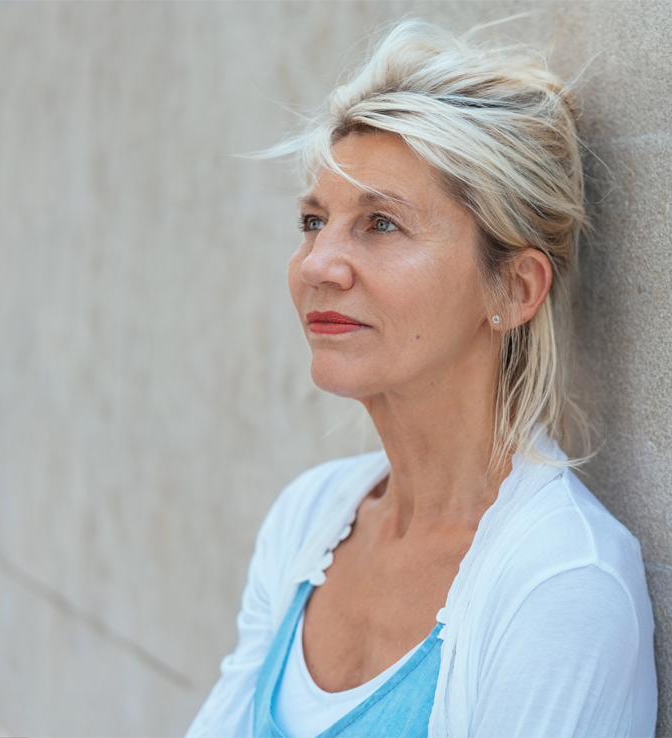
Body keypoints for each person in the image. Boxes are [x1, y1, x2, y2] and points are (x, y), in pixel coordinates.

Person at [186, 19, 657, 738]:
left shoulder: (562, 580)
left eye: (379, 224)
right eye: (314, 221)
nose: (317, 265)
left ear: (512, 289)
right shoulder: (309, 520)